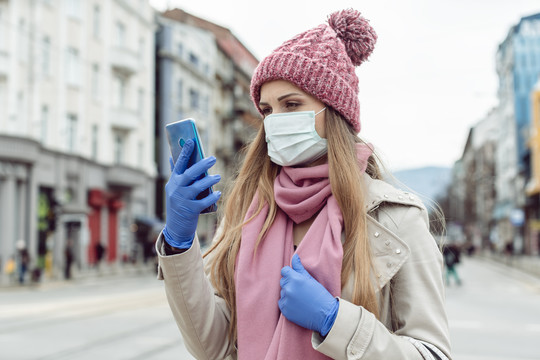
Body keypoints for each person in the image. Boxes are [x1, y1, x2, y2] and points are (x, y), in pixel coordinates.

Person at [156, 9, 451, 360]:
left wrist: (334, 320)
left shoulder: (395, 219)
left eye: (292, 104)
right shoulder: (246, 213)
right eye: (267, 110)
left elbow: (433, 353)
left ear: (334, 113)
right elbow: (213, 347)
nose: (275, 122)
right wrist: (179, 244)